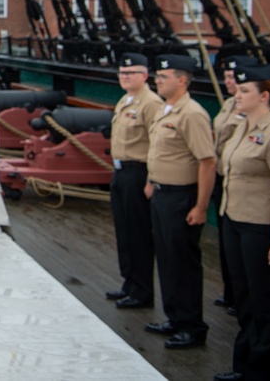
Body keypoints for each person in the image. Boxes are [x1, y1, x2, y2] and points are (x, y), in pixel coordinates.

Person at [213, 64, 270, 381]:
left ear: (264, 96)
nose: (238, 93)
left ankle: (263, 373)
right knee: (245, 299)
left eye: (245, 90)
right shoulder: (242, 127)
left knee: (265, 303)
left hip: (261, 228)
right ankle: (244, 367)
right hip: (234, 220)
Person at [143, 53, 216, 350]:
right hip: (161, 194)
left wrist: (200, 206)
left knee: (183, 264)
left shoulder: (193, 114)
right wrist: (151, 181)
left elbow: (207, 161)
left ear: (182, 80)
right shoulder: (166, 109)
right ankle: (174, 317)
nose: (157, 81)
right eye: (157, 77)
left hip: (181, 197)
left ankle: (191, 325)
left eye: (163, 77)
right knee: (167, 259)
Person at [106, 52, 163, 309]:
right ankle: (129, 283)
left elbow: (156, 144)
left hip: (138, 173)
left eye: (130, 73)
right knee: (125, 231)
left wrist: (151, 180)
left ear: (144, 75)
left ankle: (142, 290)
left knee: (138, 234)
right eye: (122, 73)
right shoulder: (125, 100)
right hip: (121, 173)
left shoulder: (150, 103)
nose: (125, 77)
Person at [212, 55, 259, 315]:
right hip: (224, 177)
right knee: (225, 238)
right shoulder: (229, 104)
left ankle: (241, 297)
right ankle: (231, 292)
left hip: (241, 182)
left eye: (234, 78)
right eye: (228, 78)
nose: (229, 82)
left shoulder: (245, 111)